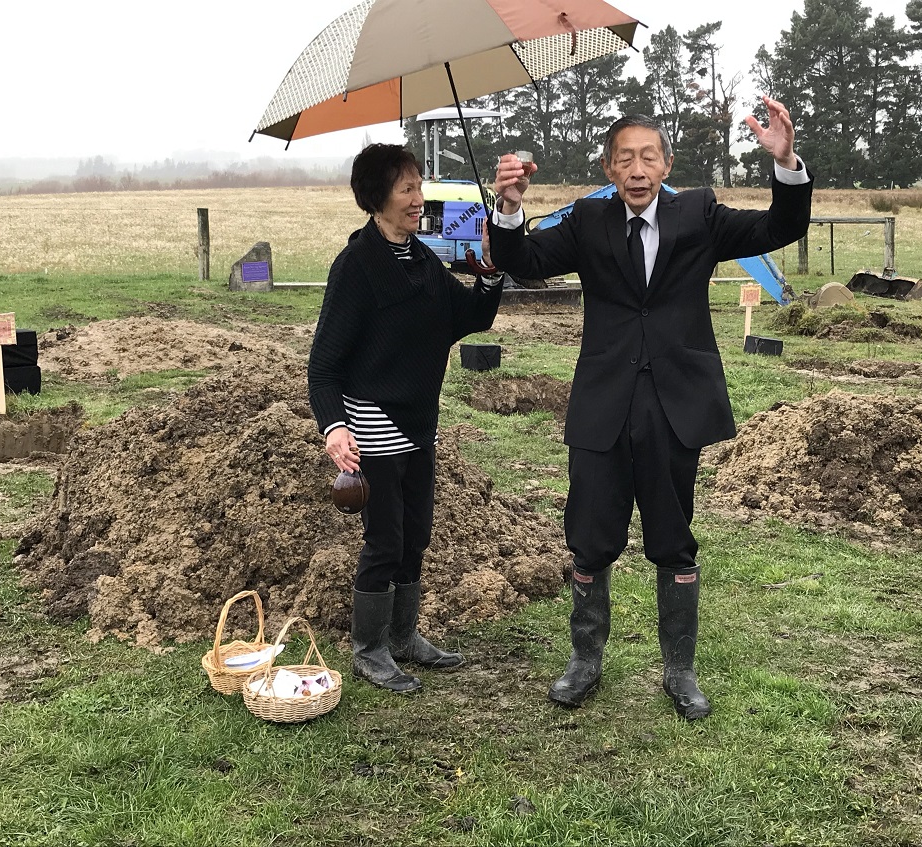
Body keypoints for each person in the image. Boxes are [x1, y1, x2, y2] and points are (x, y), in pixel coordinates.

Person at [489, 98, 813, 719]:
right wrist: (508, 207)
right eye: (624, 159)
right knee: (589, 537)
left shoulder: (700, 213)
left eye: (648, 157)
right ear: (609, 170)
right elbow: (522, 262)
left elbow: (779, 229)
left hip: (674, 404)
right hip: (602, 403)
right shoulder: (588, 221)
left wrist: (786, 163)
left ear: (667, 165)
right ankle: (585, 661)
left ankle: (679, 669)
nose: (637, 169)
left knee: (672, 537)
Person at [308, 143, 503, 694]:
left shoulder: (421, 260)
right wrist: (334, 427)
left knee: (416, 534)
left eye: (420, 186)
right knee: (385, 540)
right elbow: (323, 366)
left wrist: (489, 273)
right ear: (378, 198)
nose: (420, 198)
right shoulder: (356, 267)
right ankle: (369, 649)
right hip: (373, 421)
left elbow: (469, 318)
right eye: (408, 188)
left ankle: (404, 636)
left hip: (420, 422)